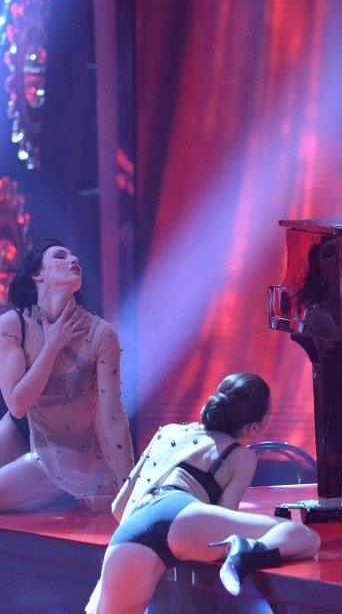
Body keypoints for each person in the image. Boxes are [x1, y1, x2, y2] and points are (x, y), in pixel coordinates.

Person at [88, 373, 320, 613]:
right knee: (303, 536)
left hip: (132, 530)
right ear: (254, 426)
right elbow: (223, 519)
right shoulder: (240, 456)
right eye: (269, 414)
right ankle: (247, 551)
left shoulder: (167, 432)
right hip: (184, 515)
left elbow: (119, 508)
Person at [0, 239, 133, 511]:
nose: (73, 260)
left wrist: (128, 487)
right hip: (25, 426)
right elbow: (17, 405)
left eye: (75, 257)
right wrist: (52, 345)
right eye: (60, 256)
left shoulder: (101, 334)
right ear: (38, 274)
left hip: (73, 450)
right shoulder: (12, 324)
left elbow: (112, 414)